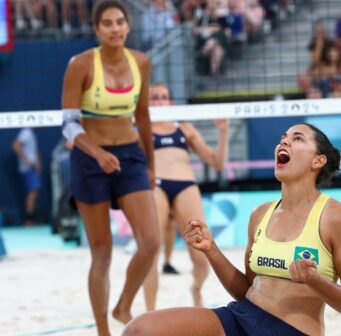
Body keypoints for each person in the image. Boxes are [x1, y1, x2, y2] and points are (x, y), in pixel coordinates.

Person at [123, 123, 341, 336]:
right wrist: (212, 250)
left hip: (292, 330)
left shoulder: (338, 218)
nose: (284, 142)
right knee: (140, 329)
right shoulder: (260, 214)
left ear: (318, 160)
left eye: (297, 139)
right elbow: (246, 291)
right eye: (283, 138)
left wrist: (314, 281)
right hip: (241, 317)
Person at [61, 1, 160, 335]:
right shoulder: (81, 64)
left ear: (128, 26)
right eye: (107, 23)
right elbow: (69, 125)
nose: (115, 28)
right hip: (90, 159)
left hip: (130, 156)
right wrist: (97, 152)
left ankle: (123, 305)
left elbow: (143, 115)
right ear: (96, 29)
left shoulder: (141, 62)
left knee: (151, 241)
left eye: (120, 22)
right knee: (101, 252)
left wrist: (149, 164)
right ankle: (103, 329)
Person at [142, 82, 229, 311]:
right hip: (155, 184)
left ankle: (196, 288)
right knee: (151, 251)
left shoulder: (185, 128)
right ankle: (150, 312)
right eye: (154, 97)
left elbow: (217, 163)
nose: (159, 101)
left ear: (170, 102)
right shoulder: (140, 127)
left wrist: (223, 132)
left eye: (163, 97)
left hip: (185, 185)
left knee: (202, 254)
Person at [12, 128, 41, 226]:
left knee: (33, 192)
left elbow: (33, 151)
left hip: (32, 168)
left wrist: (37, 163)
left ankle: (30, 219)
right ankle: (28, 220)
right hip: (28, 168)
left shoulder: (31, 133)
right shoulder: (26, 132)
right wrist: (27, 161)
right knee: (32, 192)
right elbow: (16, 145)